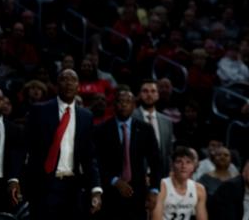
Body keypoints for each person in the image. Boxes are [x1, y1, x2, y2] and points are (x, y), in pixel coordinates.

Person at [23, 69, 102, 220]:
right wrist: (15, 179)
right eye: (64, 79)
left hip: (73, 186)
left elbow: (89, 157)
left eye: (73, 79)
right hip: (43, 185)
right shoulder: (40, 110)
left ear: (78, 86)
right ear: (56, 84)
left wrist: (96, 188)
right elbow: (25, 146)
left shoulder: (86, 116)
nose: (69, 83)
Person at [95, 87, 161, 220]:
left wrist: (154, 190)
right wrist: (114, 181)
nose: (124, 104)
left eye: (128, 101)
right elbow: (97, 162)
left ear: (134, 105)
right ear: (114, 105)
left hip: (138, 194)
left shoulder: (145, 129)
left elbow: (156, 161)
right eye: (120, 101)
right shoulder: (101, 130)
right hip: (110, 193)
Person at [152, 146, 207, 220]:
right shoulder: (162, 186)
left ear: (193, 166)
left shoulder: (199, 189)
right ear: (172, 165)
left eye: (188, 162)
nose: (183, 166)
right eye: (179, 161)